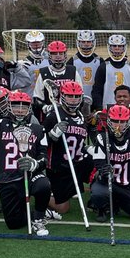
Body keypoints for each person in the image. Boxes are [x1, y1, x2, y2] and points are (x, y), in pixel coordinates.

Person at [0, 90, 52, 236]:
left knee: (44, 185)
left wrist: (35, 164)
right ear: (9, 106)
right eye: (16, 105)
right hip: (7, 177)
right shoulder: (1, 123)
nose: (20, 109)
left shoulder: (38, 129)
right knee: (14, 224)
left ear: (29, 108)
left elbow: (44, 156)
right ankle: (37, 213)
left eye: (24, 106)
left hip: (29, 176)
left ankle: (38, 218)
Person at [40, 80, 92, 218]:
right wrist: (53, 135)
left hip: (75, 164)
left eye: (76, 96)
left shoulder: (80, 116)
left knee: (95, 157)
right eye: (70, 96)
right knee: (63, 208)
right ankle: (41, 195)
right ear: (62, 96)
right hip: (59, 167)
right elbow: (40, 141)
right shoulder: (54, 116)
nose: (73, 100)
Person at [91, 35, 130, 110]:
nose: (117, 48)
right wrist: (99, 108)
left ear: (124, 47)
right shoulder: (103, 67)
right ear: (109, 47)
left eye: (120, 46)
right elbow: (97, 90)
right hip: (107, 109)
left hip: (127, 109)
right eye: (114, 46)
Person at [71, 30, 102, 111]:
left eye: (89, 41)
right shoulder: (72, 61)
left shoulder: (100, 61)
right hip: (76, 100)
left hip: (96, 101)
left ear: (93, 42)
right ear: (78, 42)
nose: (86, 44)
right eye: (83, 42)